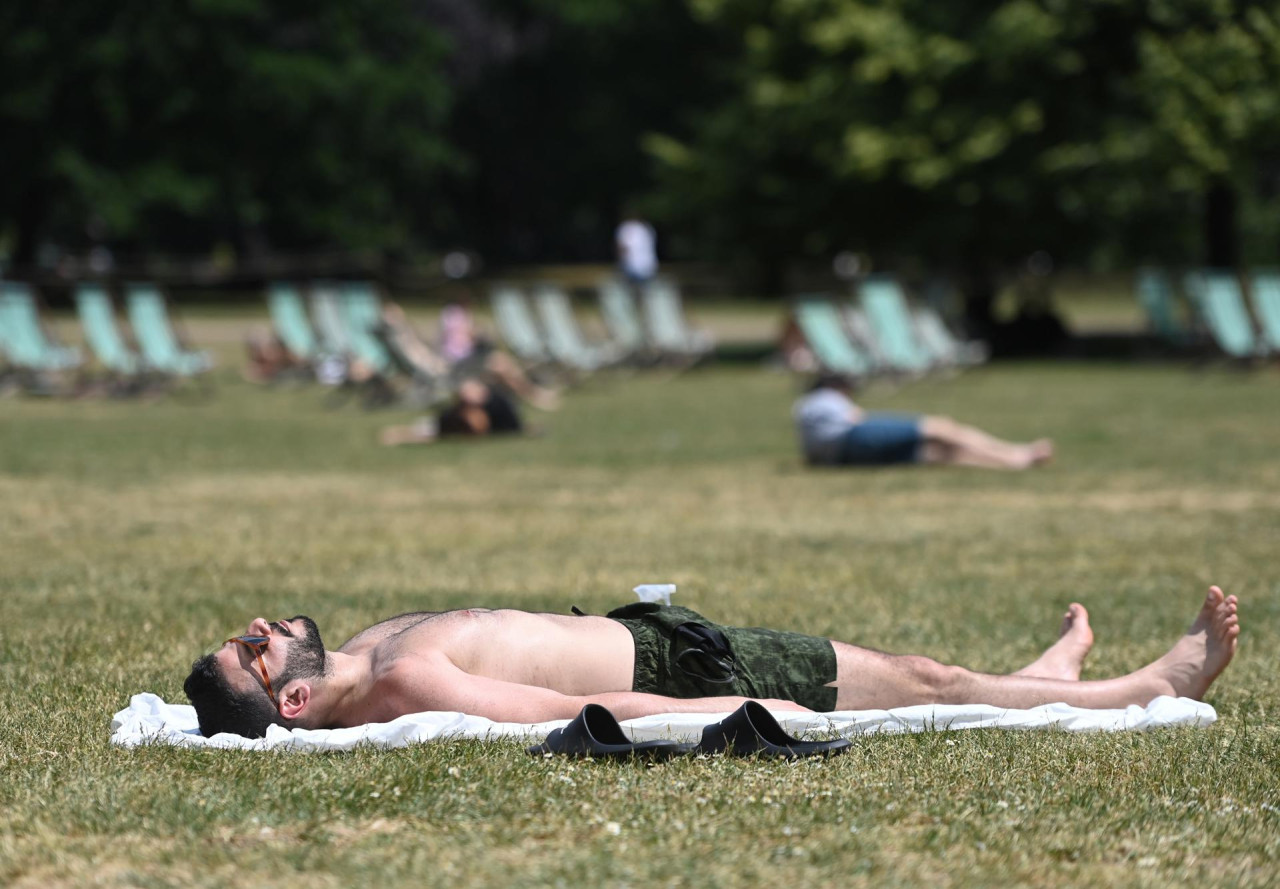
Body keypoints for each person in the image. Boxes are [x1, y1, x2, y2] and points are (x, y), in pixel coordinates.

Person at [183, 585, 1240, 739]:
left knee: (919, 668)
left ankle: (1048, 677)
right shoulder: (404, 683)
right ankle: (1137, 690)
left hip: (667, 632)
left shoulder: (363, 656)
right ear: (297, 696)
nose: (258, 628)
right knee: (917, 677)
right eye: (250, 651)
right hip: (686, 664)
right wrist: (748, 701)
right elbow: (577, 701)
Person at [794, 375, 1054, 469]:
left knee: (935, 454)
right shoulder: (825, 397)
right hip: (854, 435)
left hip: (841, 458)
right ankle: (1015, 454)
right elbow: (856, 417)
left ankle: (1012, 461)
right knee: (941, 427)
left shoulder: (804, 408)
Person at [379, 378, 526, 446]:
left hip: (448, 426)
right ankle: (397, 433)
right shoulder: (491, 403)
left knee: (428, 430)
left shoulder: (494, 407)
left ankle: (397, 434)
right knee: (426, 428)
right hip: (442, 424)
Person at [616, 212, 658, 285]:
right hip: (649, 265)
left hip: (632, 266)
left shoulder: (626, 228)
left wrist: (620, 263)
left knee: (633, 290)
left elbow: (622, 248)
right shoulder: (646, 228)